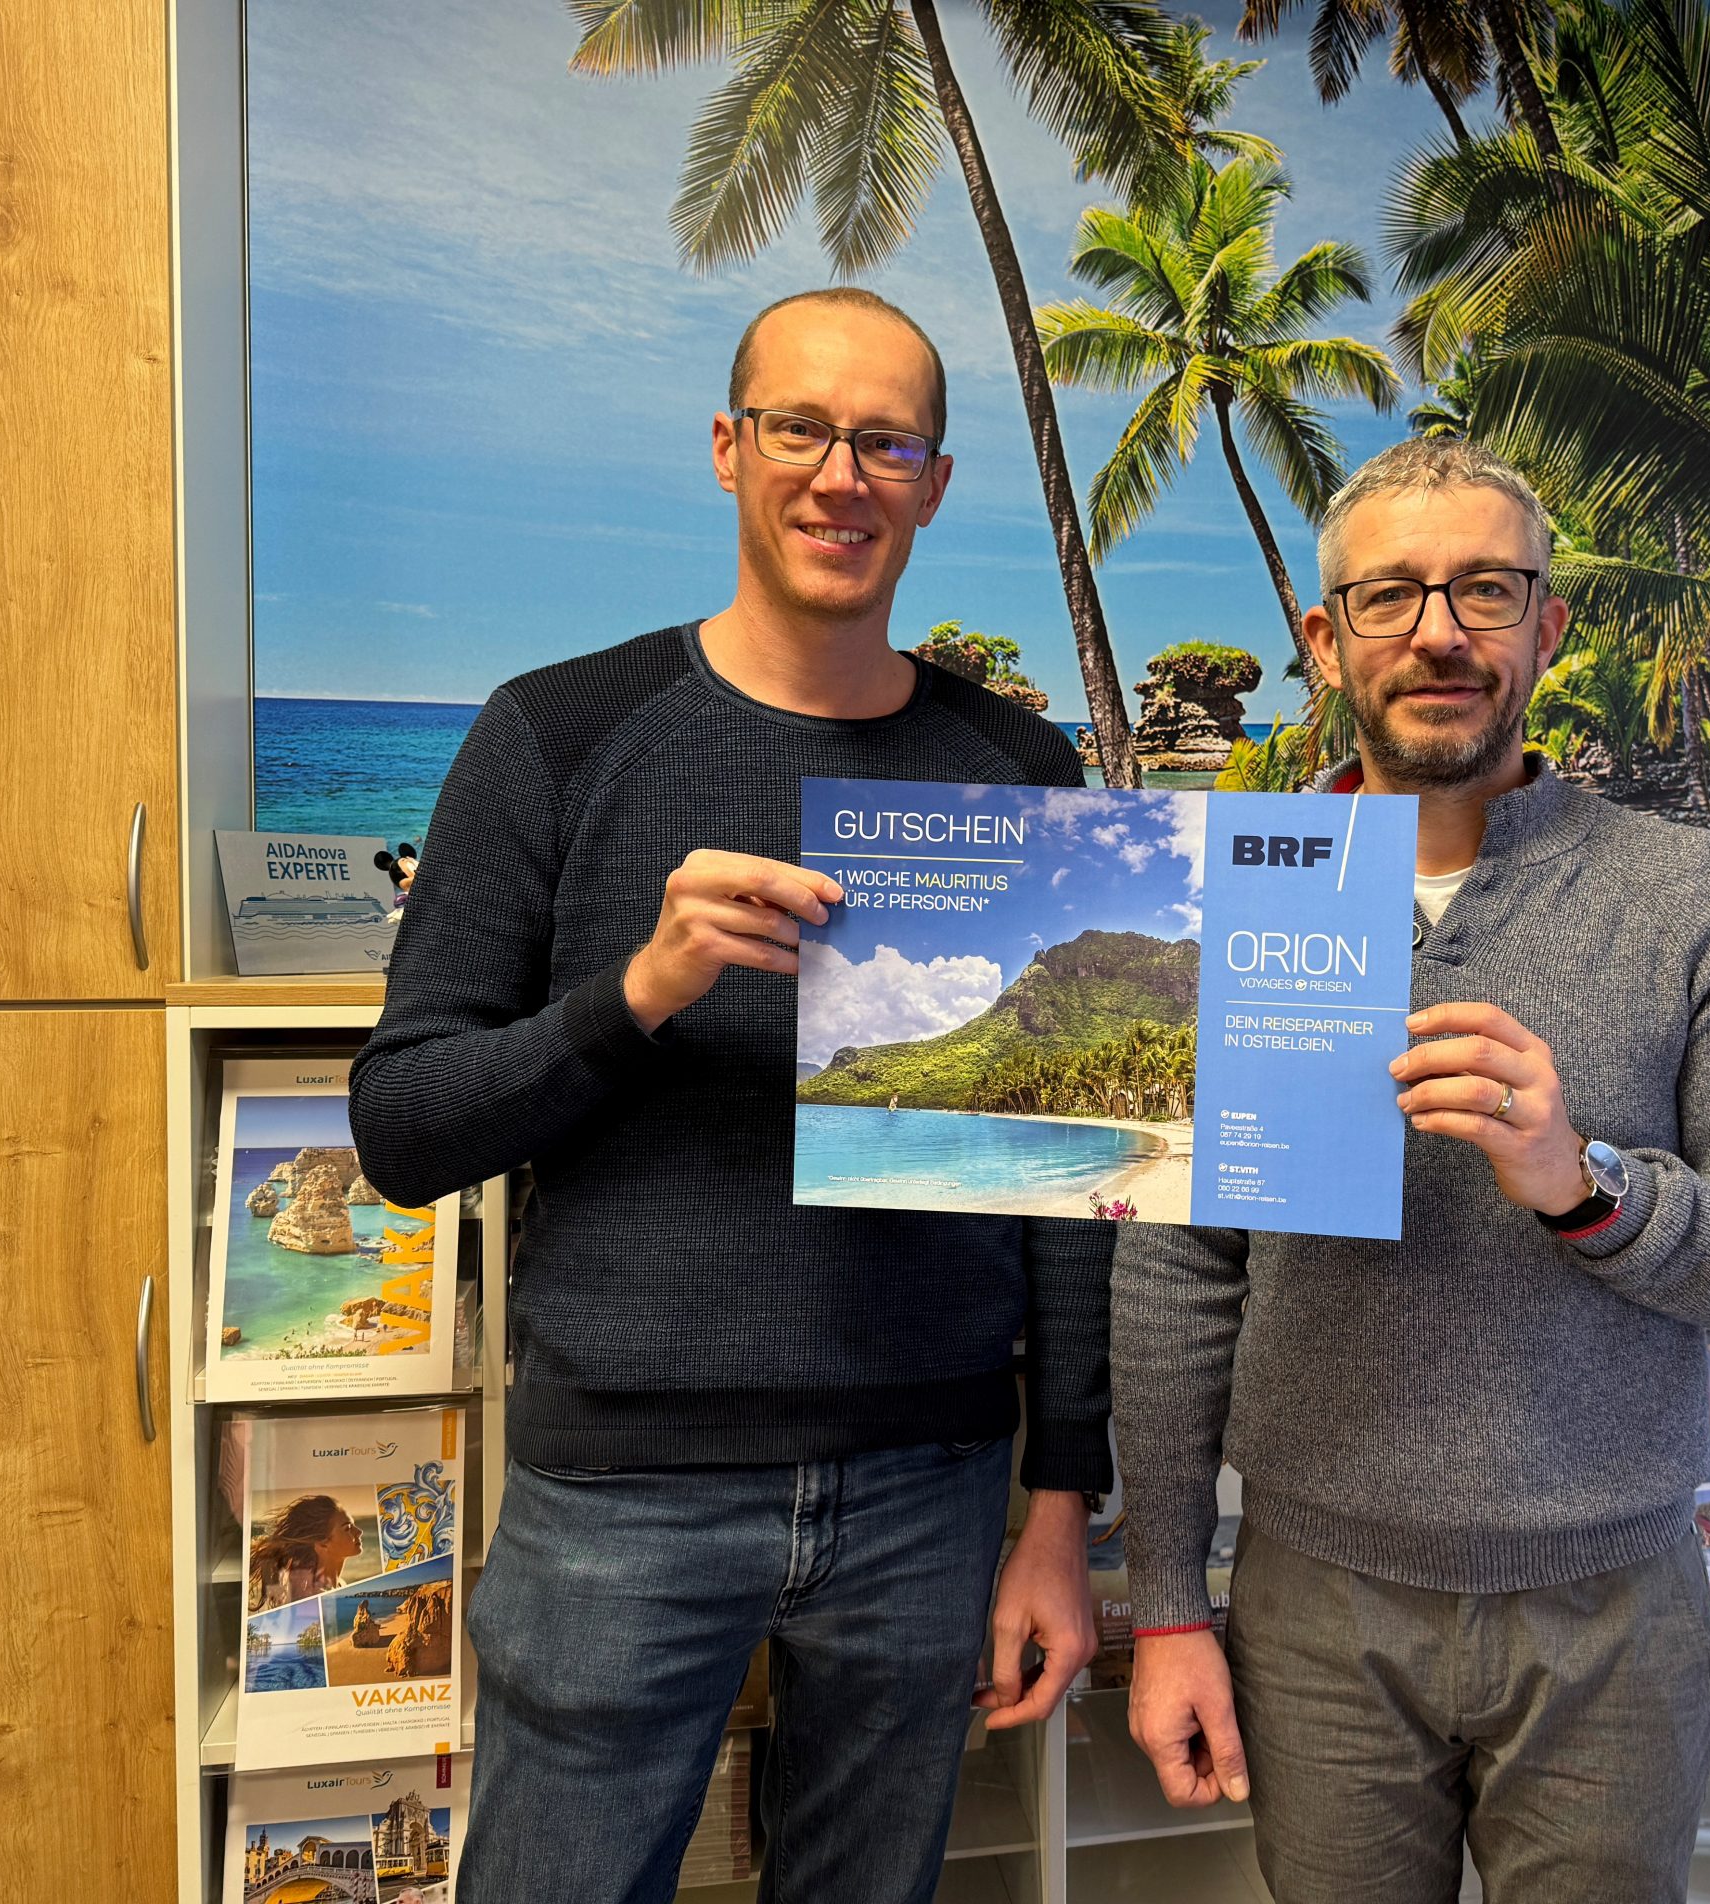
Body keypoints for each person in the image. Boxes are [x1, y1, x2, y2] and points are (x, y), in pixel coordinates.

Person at [349, 288, 1109, 1904]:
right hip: (621, 1492)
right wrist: (637, 992)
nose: (842, 475)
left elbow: (1070, 1184)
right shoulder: (557, 733)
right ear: (727, 448)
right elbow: (405, 1129)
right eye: (800, 429)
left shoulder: (1021, 770)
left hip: (932, 1482)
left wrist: (1061, 1502)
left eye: (886, 443)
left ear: (934, 483)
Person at [1110, 437, 1710, 1903]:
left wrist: (1587, 1184)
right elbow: (1175, 1276)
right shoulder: (1226, 895)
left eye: (1486, 590)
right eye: (1390, 595)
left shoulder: (1687, 896)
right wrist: (1167, 1607)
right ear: (1325, 639)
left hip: (1614, 1611)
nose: (1439, 632)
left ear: (1547, 625)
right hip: (1312, 1607)